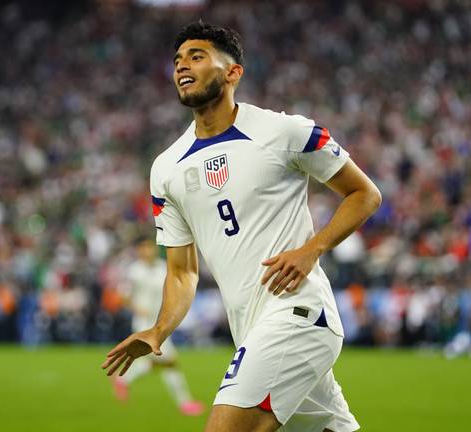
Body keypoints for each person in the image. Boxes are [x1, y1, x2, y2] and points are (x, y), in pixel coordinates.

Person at [103, 21, 381, 432]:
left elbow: (365, 194)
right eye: (178, 60)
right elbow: (182, 271)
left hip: (298, 314)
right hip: (250, 328)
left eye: (197, 56)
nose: (182, 66)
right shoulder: (166, 169)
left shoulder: (285, 131)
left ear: (233, 72)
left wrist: (311, 250)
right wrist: (160, 329)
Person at [111, 236, 205, 416]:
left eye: (149, 248)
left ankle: (123, 380)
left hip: (159, 321)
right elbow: (123, 296)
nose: (147, 251)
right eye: (143, 248)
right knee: (170, 362)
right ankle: (185, 403)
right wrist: (137, 308)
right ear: (139, 251)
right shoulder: (134, 271)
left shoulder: (163, 267)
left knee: (152, 363)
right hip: (143, 324)